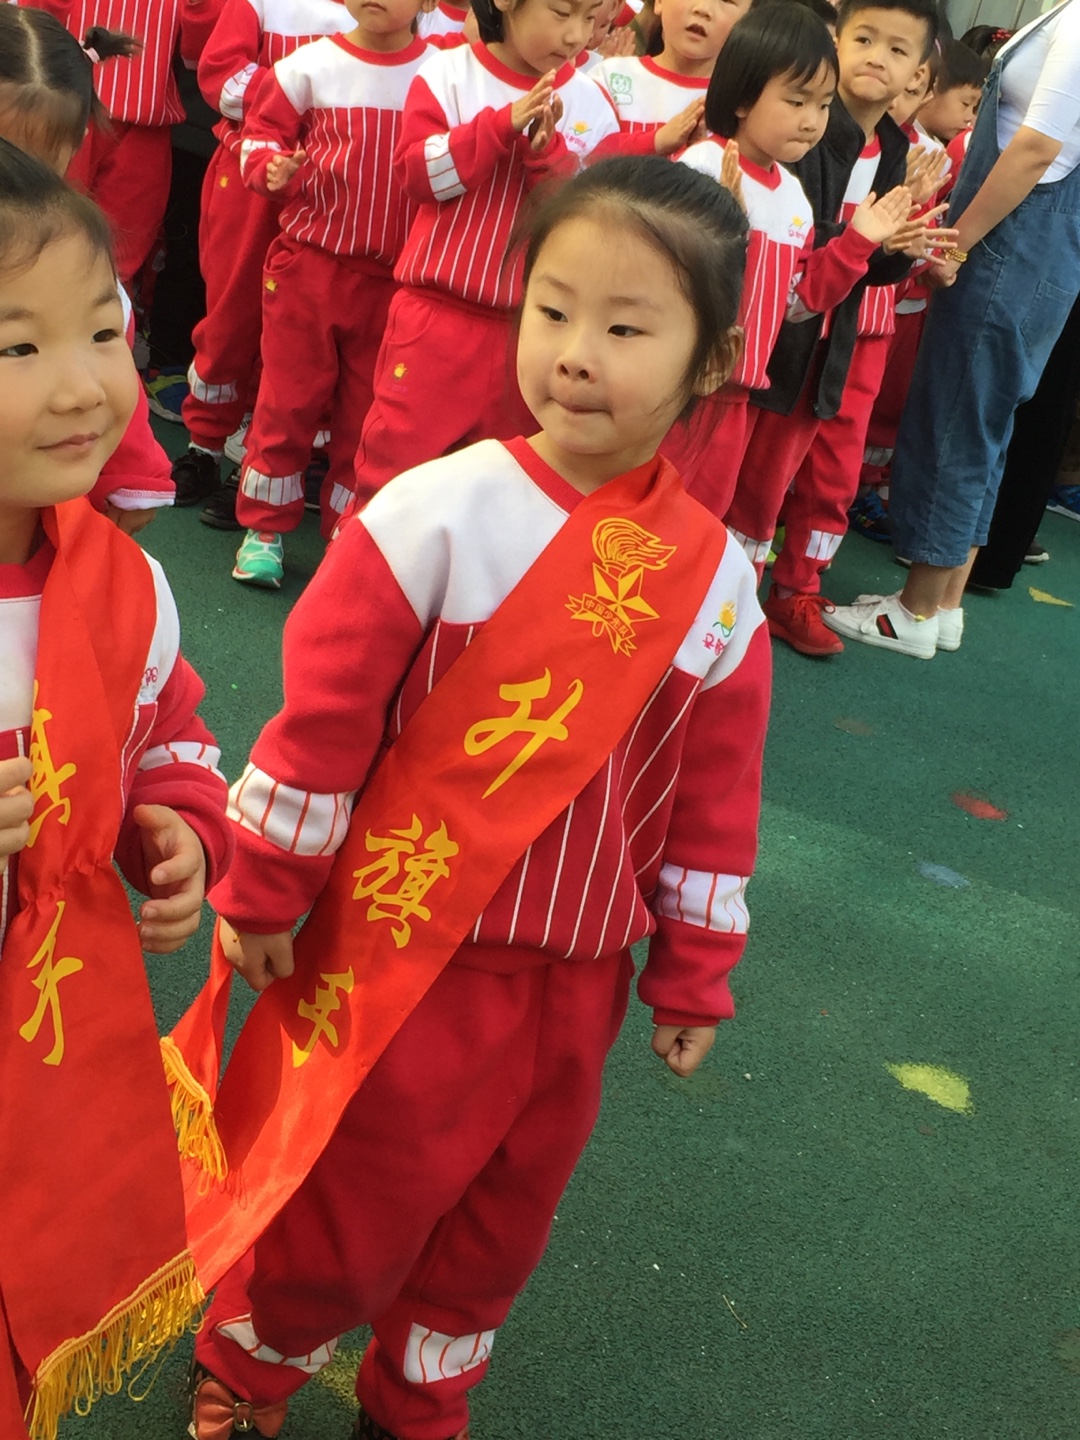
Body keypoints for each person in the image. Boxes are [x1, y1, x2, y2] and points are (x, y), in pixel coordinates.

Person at [182, 155, 770, 1440]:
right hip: (413, 957)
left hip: (578, 981)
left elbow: (715, 800)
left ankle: (422, 1399)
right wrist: (265, 888)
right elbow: (323, 720)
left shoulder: (718, 584)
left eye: (626, 328)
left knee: (503, 1218)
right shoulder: (439, 512)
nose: (575, 353)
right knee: (356, 1194)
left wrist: (693, 973)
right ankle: (252, 1358)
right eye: (551, 310)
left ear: (713, 363)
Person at [0, 138, 231, 1440]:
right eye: (17, 346)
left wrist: (178, 830)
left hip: (44, 1048)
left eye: (102, 329)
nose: (85, 383)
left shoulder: (120, 583)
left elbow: (170, 728)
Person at [825, 0, 1080, 658]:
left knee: (957, 421)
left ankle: (913, 611)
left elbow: (1034, 149)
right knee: (984, 426)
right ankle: (943, 604)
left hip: (1010, 243)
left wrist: (954, 243)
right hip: (1037, 247)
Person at [724, 0, 944, 657]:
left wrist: (903, 246)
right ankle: (726, 602)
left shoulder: (897, 147)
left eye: (898, 49)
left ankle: (790, 592)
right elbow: (796, 241)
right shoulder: (807, 131)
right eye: (864, 39)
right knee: (746, 479)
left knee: (819, 476)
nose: (878, 57)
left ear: (917, 72)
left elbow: (873, 266)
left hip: (834, 341)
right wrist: (867, 238)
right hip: (771, 337)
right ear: (836, 44)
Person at [347, 0, 623, 509]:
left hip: (530, 331)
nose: (576, 35)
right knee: (396, 470)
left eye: (590, 18)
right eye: (561, 12)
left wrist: (546, 155)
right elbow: (418, 176)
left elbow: (588, 224)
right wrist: (500, 128)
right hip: (436, 316)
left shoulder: (593, 105)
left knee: (495, 488)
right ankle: (355, 556)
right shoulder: (449, 73)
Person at [222, 0, 437, 589]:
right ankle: (263, 529)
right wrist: (271, 169)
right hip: (309, 268)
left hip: (396, 281)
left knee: (368, 419)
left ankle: (348, 535)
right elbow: (258, 137)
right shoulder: (307, 66)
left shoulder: (444, 74)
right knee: (286, 401)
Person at [672, 1, 909, 520]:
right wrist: (724, 226)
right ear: (742, 97)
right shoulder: (702, 165)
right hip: (680, 391)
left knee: (703, 519)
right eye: (797, 101)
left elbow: (797, 303)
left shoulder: (793, 198)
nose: (811, 122)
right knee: (647, 514)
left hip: (739, 399)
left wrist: (856, 243)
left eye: (823, 105)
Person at [0, 3, 176, 533]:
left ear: (75, 144)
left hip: (38, 511)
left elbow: (107, 353)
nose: (18, 181)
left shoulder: (77, 258)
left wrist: (134, 473)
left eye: (40, 160)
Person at [170, 0, 351, 511]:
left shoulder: (393, 11)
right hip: (248, 178)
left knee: (302, 339)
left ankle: (260, 464)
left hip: (330, 195)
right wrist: (307, 94)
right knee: (230, 318)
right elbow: (221, 78)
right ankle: (204, 445)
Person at [592, 0, 750, 156]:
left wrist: (704, 156)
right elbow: (585, 152)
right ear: (659, 2)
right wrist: (656, 141)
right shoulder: (610, 76)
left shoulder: (742, 107)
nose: (703, 9)